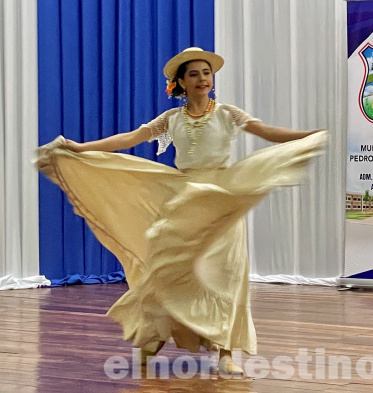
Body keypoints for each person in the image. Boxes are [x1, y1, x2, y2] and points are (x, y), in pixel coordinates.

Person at [36, 47, 327, 376]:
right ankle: (154, 337)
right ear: (181, 84)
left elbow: (267, 132)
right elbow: (130, 138)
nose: (203, 78)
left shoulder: (228, 114)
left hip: (221, 201)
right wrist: (79, 148)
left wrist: (307, 136)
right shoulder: (172, 119)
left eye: (206, 73)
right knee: (169, 270)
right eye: (194, 74)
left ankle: (225, 352)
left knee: (224, 277)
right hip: (184, 198)